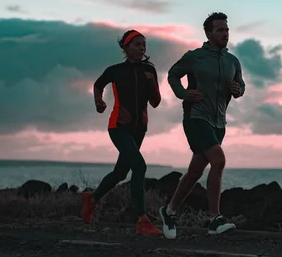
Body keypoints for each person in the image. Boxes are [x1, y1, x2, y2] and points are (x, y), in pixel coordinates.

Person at [159, 12, 246, 239]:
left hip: (219, 123)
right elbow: (173, 75)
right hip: (196, 118)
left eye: (226, 30)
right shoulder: (195, 57)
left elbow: (240, 85)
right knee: (219, 160)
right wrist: (183, 93)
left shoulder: (232, 61)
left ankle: (168, 211)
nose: (225, 34)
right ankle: (214, 219)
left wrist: (238, 89)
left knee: (195, 171)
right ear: (208, 33)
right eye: (220, 30)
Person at [81, 29, 162, 237]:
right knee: (140, 166)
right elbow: (98, 84)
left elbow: (155, 102)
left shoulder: (150, 70)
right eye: (137, 44)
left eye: (144, 44)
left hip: (140, 128)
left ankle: (92, 199)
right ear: (126, 48)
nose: (142, 48)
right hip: (119, 126)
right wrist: (98, 101)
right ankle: (142, 220)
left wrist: (152, 83)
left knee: (121, 173)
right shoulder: (115, 70)